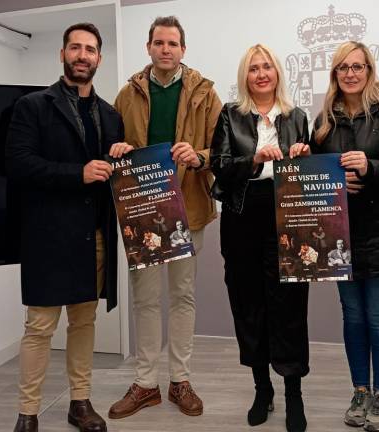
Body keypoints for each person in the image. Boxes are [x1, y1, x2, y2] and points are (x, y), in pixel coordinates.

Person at [6, 22, 131, 432]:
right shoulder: (32, 106)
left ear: (99, 58)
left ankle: (80, 403)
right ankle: (28, 412)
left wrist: (123, 157)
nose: (83, 55)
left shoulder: (112, 115)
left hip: (93, 237)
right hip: (46, 236)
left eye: (90, 50)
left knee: (84, 322)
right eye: (75, 48)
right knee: (39, 327)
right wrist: (76, 173)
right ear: (62, 54)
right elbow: (19, 165)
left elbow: (114, 176)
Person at [109, 15, 222, 420]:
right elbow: (114, 146)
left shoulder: (206, 95)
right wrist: (118, 148)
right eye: (159, 42)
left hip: (188, 209)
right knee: (145, 299)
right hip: (142, 212)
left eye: (173, 43)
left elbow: (220, 151)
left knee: (183, 296)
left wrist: (200, 156)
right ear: (149, 47)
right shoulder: (127, 95)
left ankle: (180, 380)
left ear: (183, 49)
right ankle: (145, 383)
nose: (166, 49)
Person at [309, 41, 379, 431]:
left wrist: (369, 167)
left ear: (369, 70)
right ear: (334, 74)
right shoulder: (323, 120)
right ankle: (359, 391)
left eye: (358, 67)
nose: (351, 74)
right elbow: (314, 174)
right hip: (340, 235)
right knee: (353, 317)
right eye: (343, 68)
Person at [211, 43, 310, 432]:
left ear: (277, 73)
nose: (261, 73)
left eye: (267, 66)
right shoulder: (230, 116)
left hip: (287, 215)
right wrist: (252, 159)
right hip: (242, 216)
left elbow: (311, 172)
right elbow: (219, 166)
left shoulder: (297, 116)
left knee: (289, 307)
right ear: (245, 76)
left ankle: (293, 395)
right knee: (249, 306)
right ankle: (261, 389)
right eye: (254, 68)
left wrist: (302, 152)